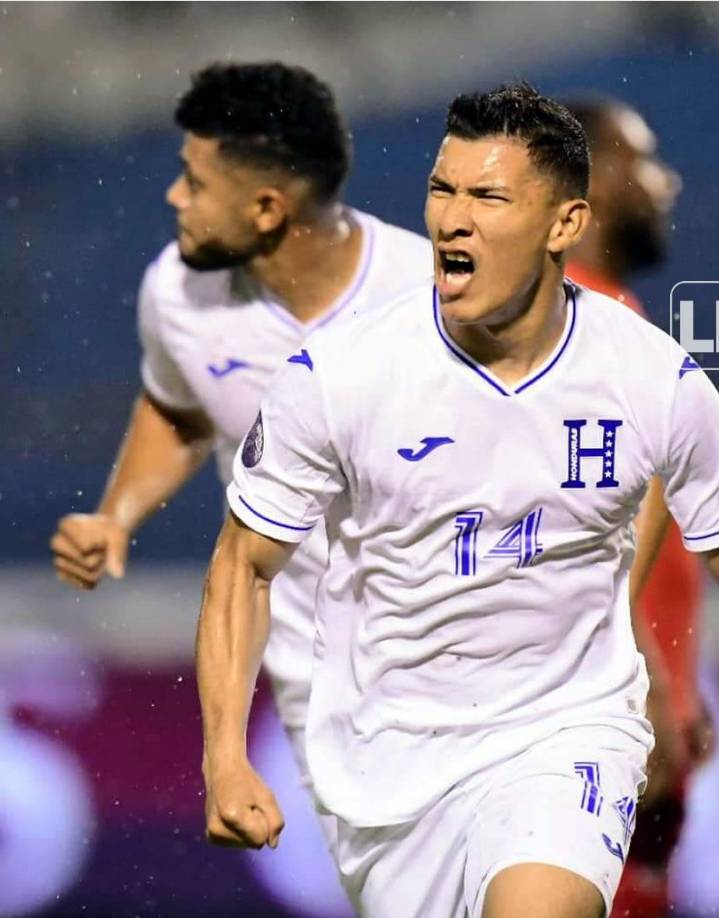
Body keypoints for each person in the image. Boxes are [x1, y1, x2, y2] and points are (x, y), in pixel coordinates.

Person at [197, 83, 719, 918]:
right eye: (442, 190)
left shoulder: (652, 378)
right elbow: (242, 563)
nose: (451, 219)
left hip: (568, 735)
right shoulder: (340, 373)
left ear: (563, 224)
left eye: (487, 196)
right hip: (391, 760)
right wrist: (223, 753)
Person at [48, 62, 431, 791]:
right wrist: (116, 516)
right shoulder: (178, 293)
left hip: (467, 670)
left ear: (264, 209)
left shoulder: (434, 303)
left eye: (194, 182)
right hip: (316, 686)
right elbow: (179, 407)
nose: (173, 196)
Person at [565, 97, 707, 917]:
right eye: (646, 161)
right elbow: (575, 531)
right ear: (595, 180)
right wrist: (649, 686)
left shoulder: (607, 317)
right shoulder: (576, 326)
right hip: (597, 731)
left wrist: (680, 688)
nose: (666, 182)